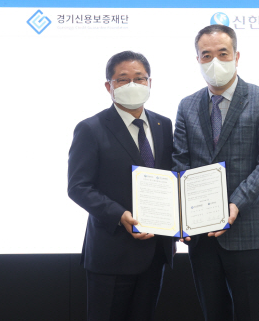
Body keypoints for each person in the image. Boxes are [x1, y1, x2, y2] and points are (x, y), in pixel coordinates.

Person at [173, 24, 259, 321]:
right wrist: (183, 214)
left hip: (248, 230)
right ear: (197, 60)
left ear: (236, 56)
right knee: (213, 312)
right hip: (202, 234)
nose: (215, 62)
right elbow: (180, 162)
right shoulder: (187, 105)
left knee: (253, 313)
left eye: (222, 54)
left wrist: (234, 204)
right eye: (206, 55)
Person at [68, 51, 175, 321]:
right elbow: (78, 186)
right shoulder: (91, 128)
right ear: (109, 86)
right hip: (111, 253)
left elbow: (170, 178)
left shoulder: (163, 124)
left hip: (155, 251)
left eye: (139, 78)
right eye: (123, 79)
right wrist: (119, 215)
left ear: (150, 83)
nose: (132, 85)